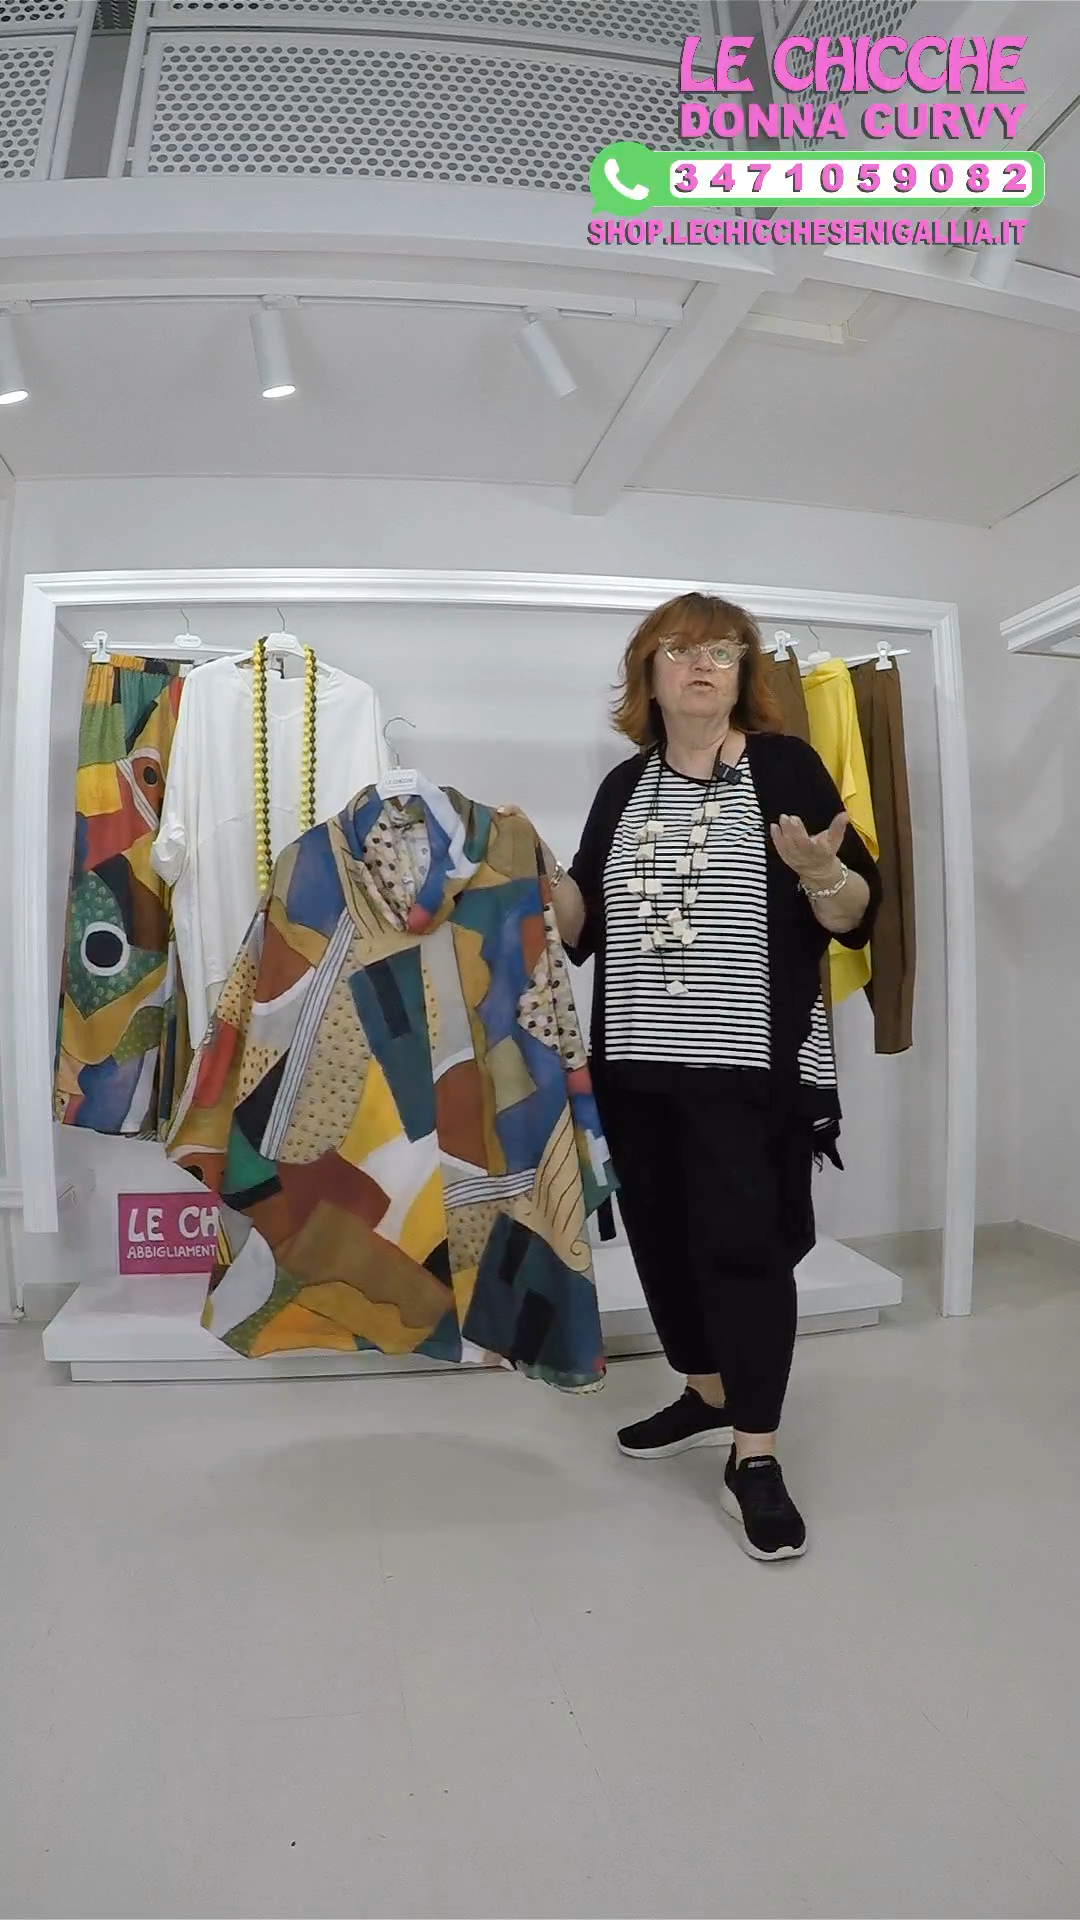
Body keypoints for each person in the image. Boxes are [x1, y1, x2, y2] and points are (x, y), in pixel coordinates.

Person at [502, 593, 880, 1561]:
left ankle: (755, 1453)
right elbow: (582, 928)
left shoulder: (783, 767)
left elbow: (854, 913)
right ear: (650, 673)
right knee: (664, 1243)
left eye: (721, 650)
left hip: (746, 1068)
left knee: (744, 1251)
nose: (701, 664)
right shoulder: (624, 785)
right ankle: (706, 1395)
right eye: (678, 649)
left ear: (743, 672)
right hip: (634, 1067)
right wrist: (542, 874)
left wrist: (818, 872)